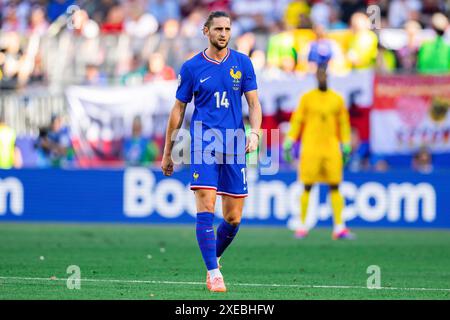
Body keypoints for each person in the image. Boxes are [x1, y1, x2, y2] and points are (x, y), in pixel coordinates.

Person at [161, 11, 262, 293]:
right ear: (206, 31)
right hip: (203, 145)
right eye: (218, 28)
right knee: (206, 207)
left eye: (227, 29)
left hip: (234, 145)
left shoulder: (243, 64)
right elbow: (178, 110)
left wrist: (254, 133)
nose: (223, 33)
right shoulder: (192, 67)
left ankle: (213, 257)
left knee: (233, 218)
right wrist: (168, 151)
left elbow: (254, 104)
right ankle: (214, 273)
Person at [283, 66, 355, 240]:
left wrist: (346, 143)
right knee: (307, 185)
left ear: (327, 77)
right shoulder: (307, 98)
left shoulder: (337, 99)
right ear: (316, 77)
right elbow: (297, 120)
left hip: (331, 147)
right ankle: (302, 226)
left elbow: (344, 123)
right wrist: (290, 140)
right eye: (319, 75)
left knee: (335, 185)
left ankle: (339, 228)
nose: (322, 77)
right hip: (311, 147)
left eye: (324, 75)